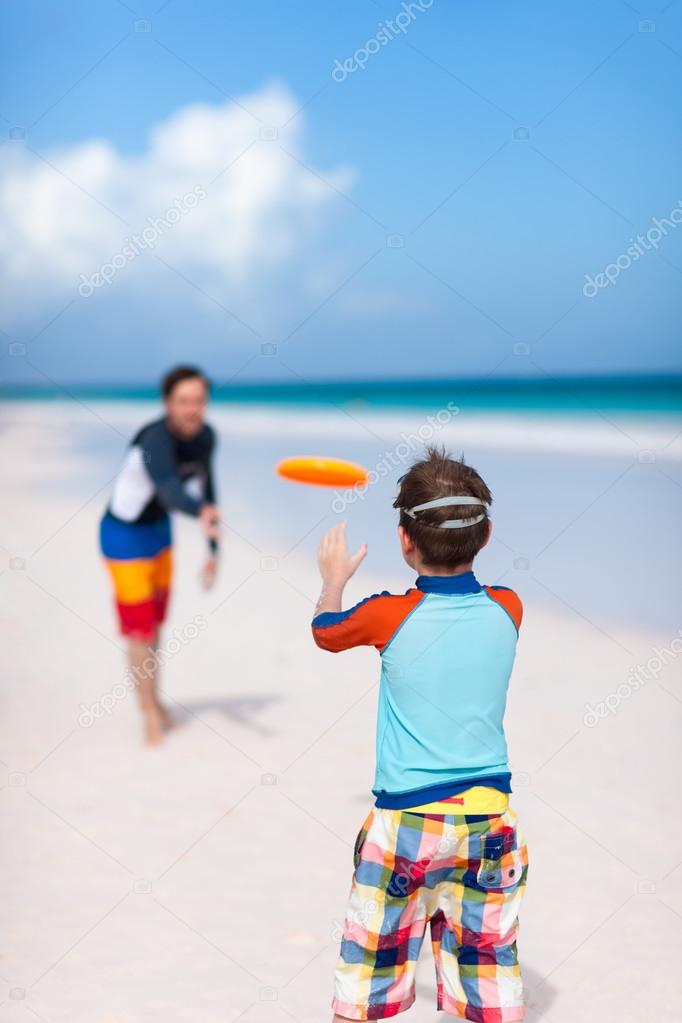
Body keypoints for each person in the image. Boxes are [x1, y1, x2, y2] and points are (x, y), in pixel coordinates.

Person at [311, 446, 529, 1022]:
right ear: (485, 537)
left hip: (406, 822)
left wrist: (333, 581)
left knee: (367, 982)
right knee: (488, 983)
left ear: (404, 540)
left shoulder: (388, 614)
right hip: (490, 821)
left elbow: (326, 633)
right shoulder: (510, 607)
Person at [99, 365, 221, 746]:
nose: (192, 409)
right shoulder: (155, 440)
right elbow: (169, 490)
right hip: (124, 536)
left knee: (156, 627)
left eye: (198, 401)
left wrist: (213, 550)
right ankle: (149, 713)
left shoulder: (205, 437)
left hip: (160, 534)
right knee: (140, 631)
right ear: (168, 403)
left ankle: (155, 701)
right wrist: (200, 512)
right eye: (183, 401)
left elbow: (207, 488)